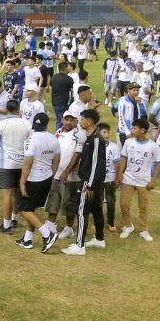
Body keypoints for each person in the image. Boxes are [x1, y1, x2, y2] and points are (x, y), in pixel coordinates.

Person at [62, 110, 107, 256]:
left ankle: (79, 245)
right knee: (96, 209)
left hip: (89, 182)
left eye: (82, 119)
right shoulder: (92, 137)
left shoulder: (95, 139)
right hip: (94, 181)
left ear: (89, 121)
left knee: (82, 212)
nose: (80, 121)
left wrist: (89, 185)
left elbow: (96, 165)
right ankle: (99, 239)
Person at [15, 113, 61, 252]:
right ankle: (27, 239)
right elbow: (56, 160)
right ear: (47, 125)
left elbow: (28, 163)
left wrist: (22, 183)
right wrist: (52, 177)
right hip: (46, 177)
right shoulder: (54, 138)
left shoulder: (31, 139)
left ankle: (48, 234)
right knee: (32, 208)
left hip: (33, 179)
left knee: (24, 209)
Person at [0, 98, 30, 235]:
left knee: (7, 195)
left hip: (7, 164)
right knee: (17, 193)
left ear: (6, 110)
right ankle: (15, 218)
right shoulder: (27, 124)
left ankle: (6, 225)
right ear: (18, 110)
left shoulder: (0, 124)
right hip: (23, 164)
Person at [118, 117, 160, 242]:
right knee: (124, 204)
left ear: (143, 130)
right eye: (132, 128)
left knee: (143, 207)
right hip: (128, 179)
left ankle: (144, 230)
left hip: (143, 181)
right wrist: (120, 174)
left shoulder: (153, 146)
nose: (132, 130)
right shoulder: (128, 143)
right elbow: (123, 158)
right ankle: (128, 226)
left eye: (134, 128)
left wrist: (153, 180)